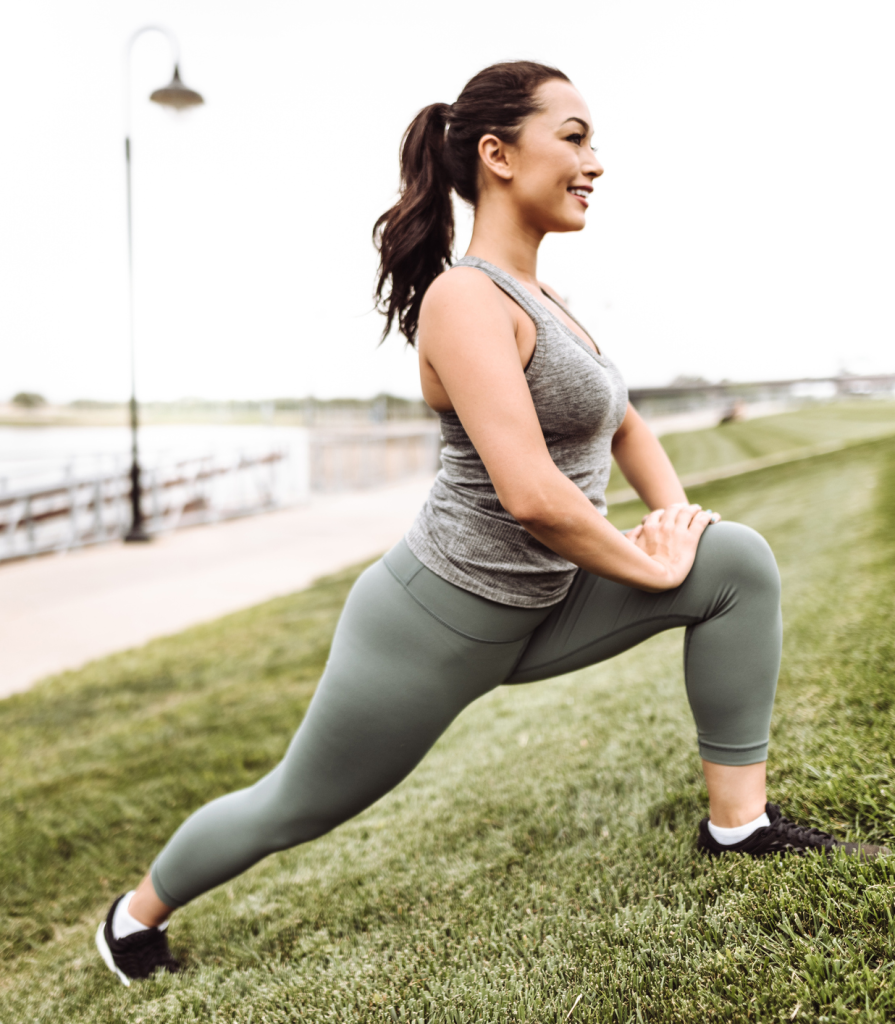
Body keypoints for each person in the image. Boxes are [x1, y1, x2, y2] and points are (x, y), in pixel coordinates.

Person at [95, 60, 887, 986]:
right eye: (575, 137)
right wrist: (652, 568)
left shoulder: (549, 302)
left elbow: (622, 421)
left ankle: (737, 826)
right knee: (294, 806)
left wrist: (674, 525)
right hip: (435, 621)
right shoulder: (463, 299)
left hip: (547, 598)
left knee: (734, 564)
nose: (596, 161)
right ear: (497, 154)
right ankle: (133, 917)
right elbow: (534, 496)